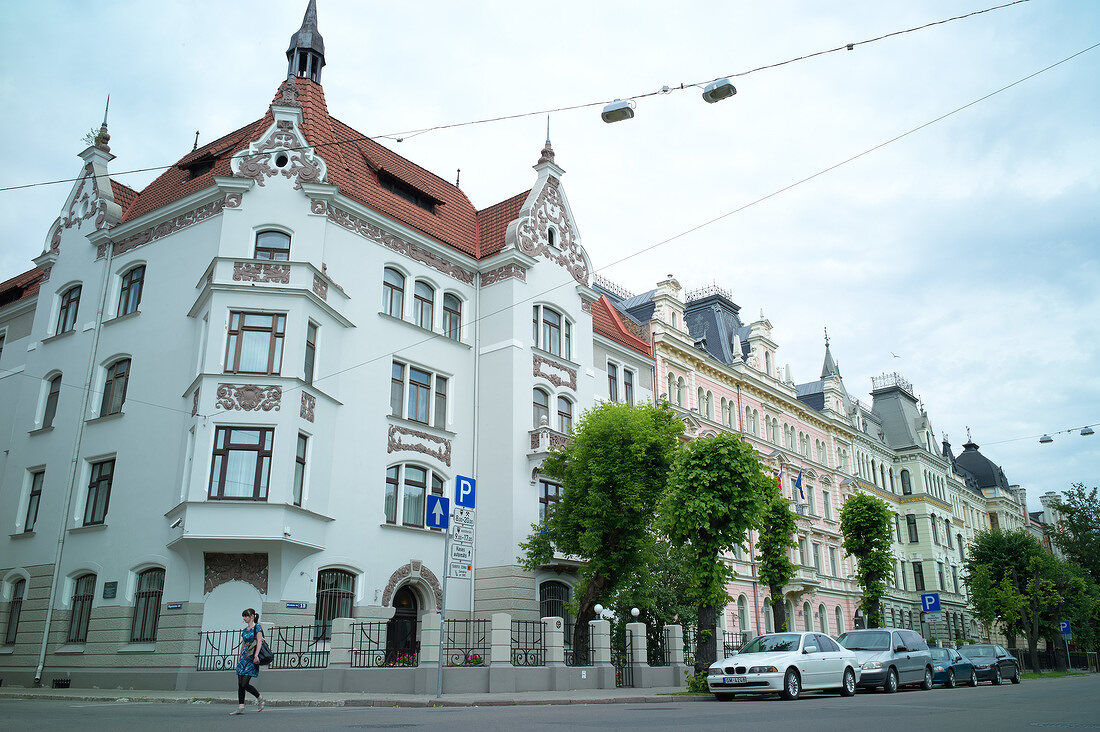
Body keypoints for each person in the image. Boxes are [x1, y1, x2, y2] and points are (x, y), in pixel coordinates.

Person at [230, 608, 265, 714]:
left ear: (252, 616)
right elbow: (243, 643)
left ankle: (260, 698)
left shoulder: (257, 627)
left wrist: (256, 655)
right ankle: (241, 707)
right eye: (243, 616)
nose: (244, 618)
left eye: (246, 616)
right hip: (244, 657)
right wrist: (240, 656)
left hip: (252, 656)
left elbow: (259, 641)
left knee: (245, 683)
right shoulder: (245, 630)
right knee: (240, 683)